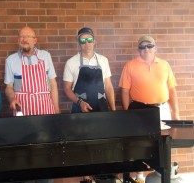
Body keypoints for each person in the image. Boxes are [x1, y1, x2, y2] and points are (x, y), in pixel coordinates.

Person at [119, 35, 180, 182]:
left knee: (163, 142)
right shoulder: (130, 65)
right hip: (140, 111)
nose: (146, 49)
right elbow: (125, 91)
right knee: (140, 143)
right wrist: (128, 114)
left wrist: (175, 113)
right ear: (138, 49)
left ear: (155, 47)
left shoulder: (165, 65)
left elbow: (172, 90)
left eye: (149, 46)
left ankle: (163, 174)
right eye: (142, 47)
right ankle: (140, 176)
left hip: (162, 109)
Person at [4, 26, 59, 183]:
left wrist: (56, 110)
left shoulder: (45, 56)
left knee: (46, 149)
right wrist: (11, 99)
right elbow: (8, 87)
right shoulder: (11, 60)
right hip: (23, 109)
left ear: (35, 40)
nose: (24, 39)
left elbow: (53, 84)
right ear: (18, 40)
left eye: (28, 36)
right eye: (21, 36)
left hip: (45, 108)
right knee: (24, 149)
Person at [63, 27, 116, 113]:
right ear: (79, 43)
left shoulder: (103, 60)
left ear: (94, 41)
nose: (87, 43)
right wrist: (80, 103)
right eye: (83, 41)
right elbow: (66, 88)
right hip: (80, 109)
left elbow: (108, 86)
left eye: (90, 40)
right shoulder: (71, 62)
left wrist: (113, 110)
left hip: (101, 108)